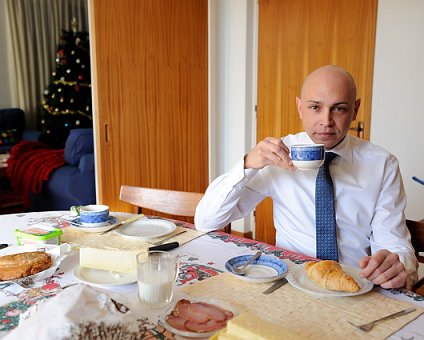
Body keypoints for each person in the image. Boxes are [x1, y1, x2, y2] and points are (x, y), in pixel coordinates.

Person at [195, 65, 418, 289]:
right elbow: (206, 221)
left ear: (355, 109)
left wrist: (397, 264)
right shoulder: (277, 155)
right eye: (315, 107)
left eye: (339, 108)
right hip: (290, 282)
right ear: (300, 108)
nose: (326, 120)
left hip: (353, 284)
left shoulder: (382, 164)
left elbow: (394, 243)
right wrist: (247, 165)